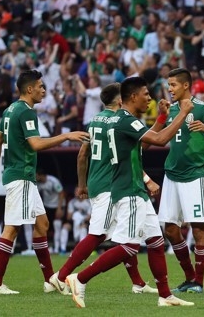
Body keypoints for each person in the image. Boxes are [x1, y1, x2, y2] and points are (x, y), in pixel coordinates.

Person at [66, 77, 195, 308]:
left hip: (134, 188)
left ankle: (165, 295)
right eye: (146, 94)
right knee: (128, 247)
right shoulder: (125, 120)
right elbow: (160, 139)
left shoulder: (121, 120)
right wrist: (182, 113)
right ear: (133, 96)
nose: (150, 98)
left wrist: (163, 118)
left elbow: (144, 143)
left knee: (155, 241)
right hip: (129, 191)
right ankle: (80, 278)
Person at [0, 69, 90, 295]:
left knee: (42, 224)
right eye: (41, 86)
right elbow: (36, 144)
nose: (44, 90)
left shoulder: (10, 109)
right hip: (20, 175)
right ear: (29, 89)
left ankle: (50, 281)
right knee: (11, 229)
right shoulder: (26, 112)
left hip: (21, 176)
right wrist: (66, 136)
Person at [50, 83, 159, 296]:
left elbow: (83, 155)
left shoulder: (94, 121)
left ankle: (137, 282)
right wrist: (146, 179)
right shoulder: (117, 123)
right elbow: (128, 157)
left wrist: (82, 184)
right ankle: (61, 277)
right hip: (112, 183)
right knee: (99, 234)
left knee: (126, 235)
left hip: (97, 181)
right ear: (121, 100)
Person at [157, 68, 204, 294]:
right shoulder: (171, 110)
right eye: (169, 85)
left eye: (173, 85)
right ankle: (189, 277)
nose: (170, 89)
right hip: (171, 174)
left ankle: (198, 281)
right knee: (170, 229)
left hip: (194, 175)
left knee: (197, 230)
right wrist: (161, 115)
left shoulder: (203, 108)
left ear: (186, 85)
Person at [36, 169, 66, 254]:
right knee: (44, 227)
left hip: (57, 206)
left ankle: (57, 248)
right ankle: (47, 248)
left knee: (57, 226)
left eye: (36, 175)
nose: (35, 177)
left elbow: (61, 193)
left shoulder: (53, 181)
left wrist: (59, 208)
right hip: (47, 206)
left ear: (41, 175)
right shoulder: (38, 183)